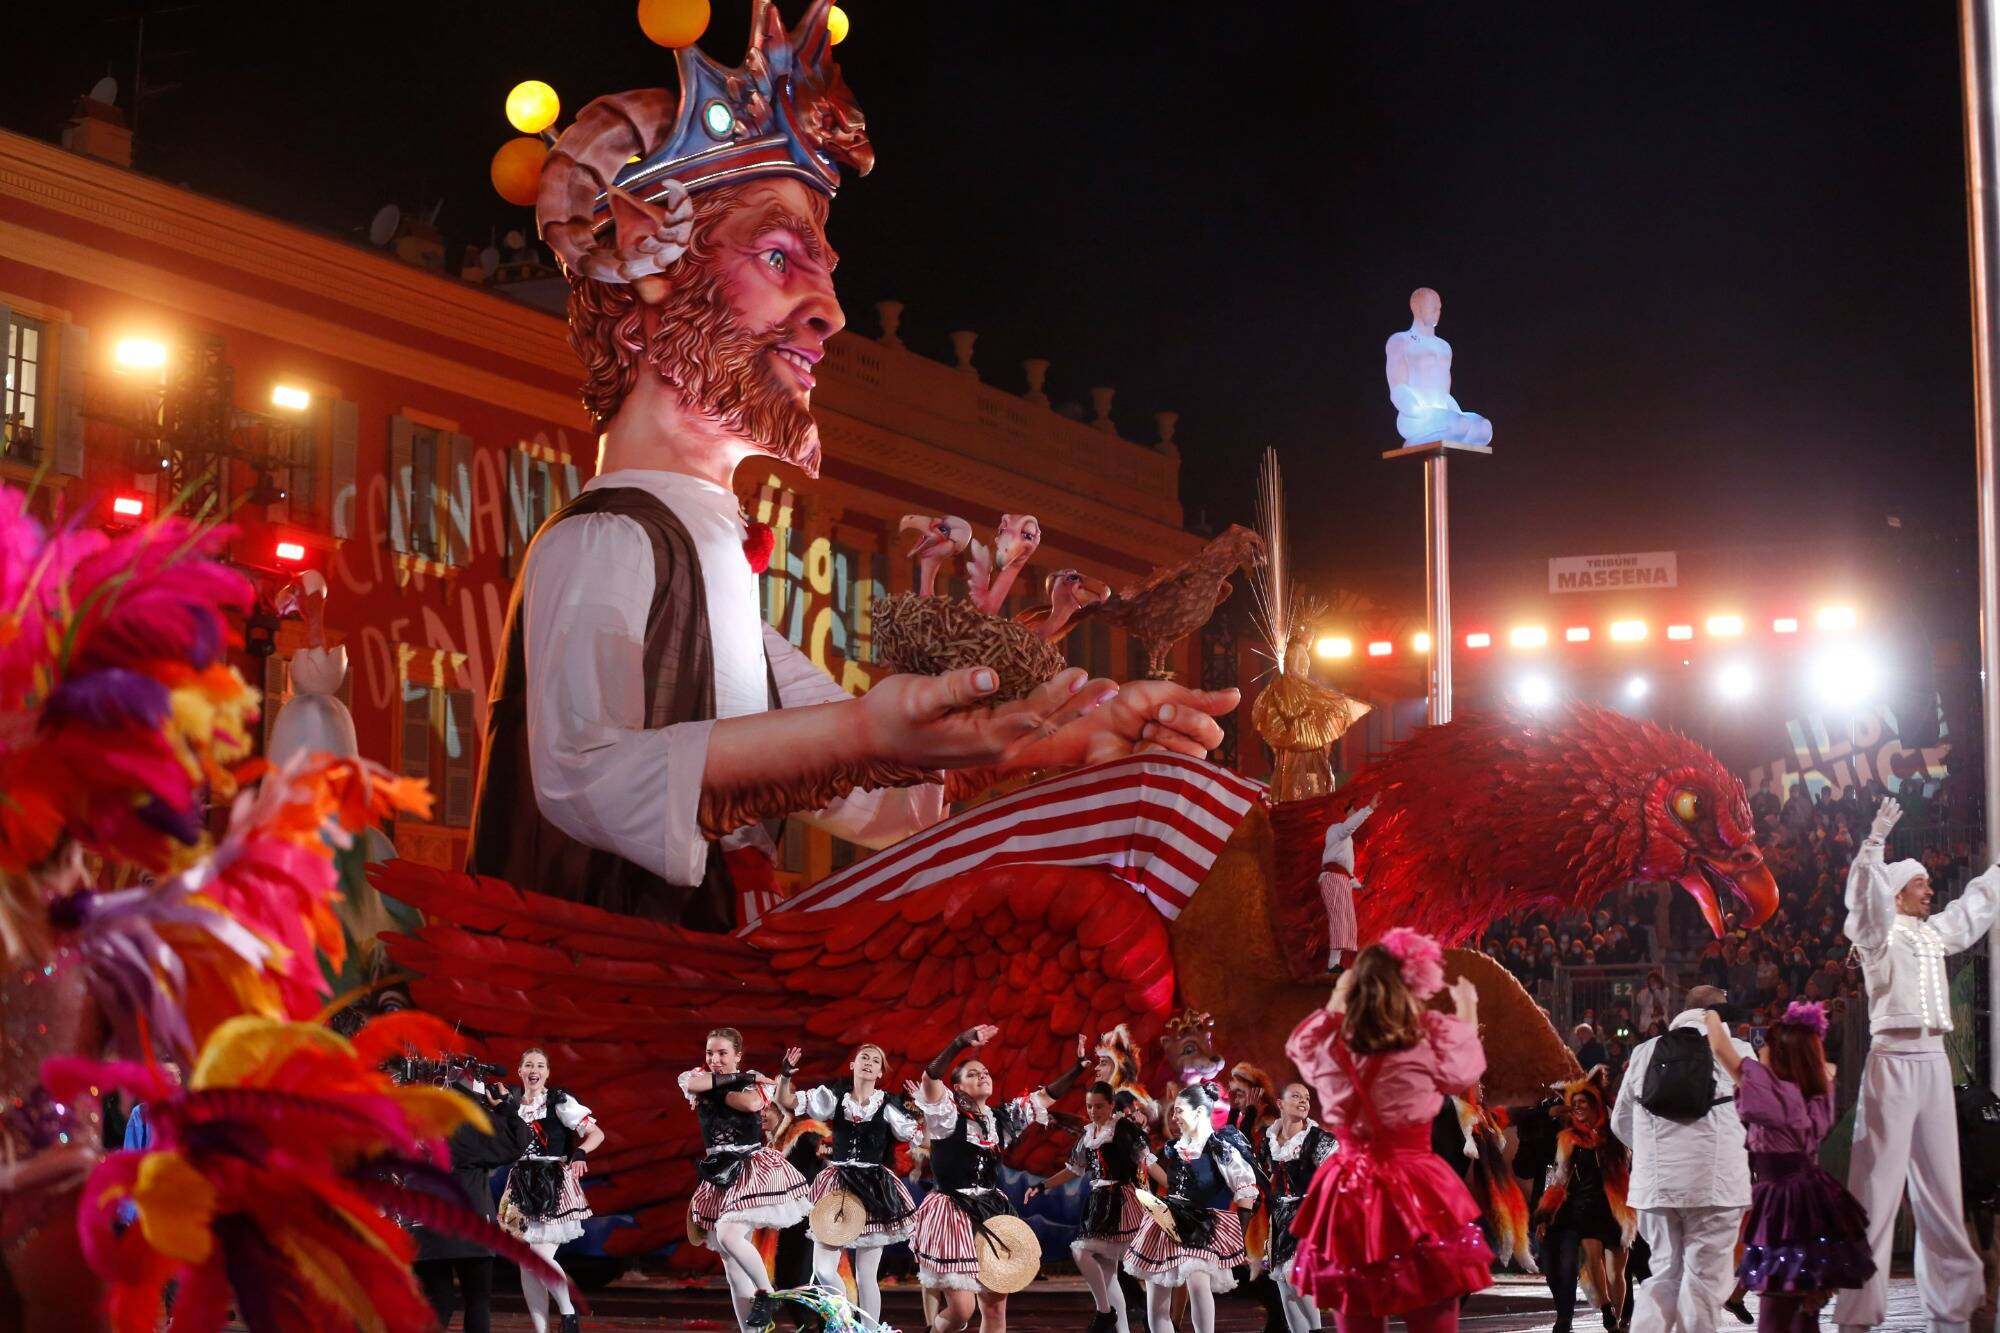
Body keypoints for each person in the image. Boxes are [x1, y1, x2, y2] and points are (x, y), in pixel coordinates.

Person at [468, 26, 1236, 930]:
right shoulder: (603, 541)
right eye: (781, 259)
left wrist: (1062, 738)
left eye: (823, 269)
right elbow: (584, 778)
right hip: (572, 1012)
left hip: (698, 1000)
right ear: (651, 267)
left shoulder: (710, 570)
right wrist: (870, 734)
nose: (829, 311)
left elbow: (871, 787)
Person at [1832, 798, 1998, 1333]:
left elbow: (1972, 912)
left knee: (1942, 1187)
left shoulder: (1931, 935)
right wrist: (1874, 842)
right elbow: (1863, 903)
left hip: (1932, 1062)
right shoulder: (1879, 938)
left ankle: (1953, 1302)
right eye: (1922, 884)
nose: (1931, 889)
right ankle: (1858, 1308)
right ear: (1899, 893)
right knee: (1876, 1187)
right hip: (1893, 1061)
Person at [1285, 931, 1493, 1333]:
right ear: (1409, 987)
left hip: (1346, 1188)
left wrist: (1338, 996)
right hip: (1416, 1182)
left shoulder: (1329, 1045)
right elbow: (1464, 1069)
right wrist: (1467, 1006)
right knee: (1433, 1306)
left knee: (1357, 1306)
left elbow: (1301, 1045)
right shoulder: (1426, 1038)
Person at [1701, 1002, 1873, 1333]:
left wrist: (1708, 1013)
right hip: (1816, 1196)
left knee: (1776, 1309)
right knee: (1806, 1306)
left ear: (1780, 1056)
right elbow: (1822, 1064)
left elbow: (1720, 1045)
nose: (1761, 1049)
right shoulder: (1822, 1083)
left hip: (1783, 1200)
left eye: (1766, 1045)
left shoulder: (1768, 1089)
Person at [1609, 986, 1752, 1333]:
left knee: (1663, 1275)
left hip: (1656, 1187)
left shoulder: (1644, 1053)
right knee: (1703, 1281)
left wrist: (1650, 1154)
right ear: (1719, 1013)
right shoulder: (1741, 1051)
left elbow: (1620, 1123)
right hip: (1716, 1185)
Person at [907, 1024, 1057, 1333]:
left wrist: (1081, 1066)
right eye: (973, 1074)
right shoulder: (946, 1117)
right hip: (952, 1212)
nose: (982, 1075)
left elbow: (1047, 1097)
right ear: (958, 1087)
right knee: (962, 1311)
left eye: (985, 1072)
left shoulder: (998, 1121)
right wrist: (959, 1042)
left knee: (995, 1307)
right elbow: (931, 1077)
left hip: (990, 1209)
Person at [678, 1028, 812, 1333]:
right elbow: (694, 1082)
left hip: (751, 1169)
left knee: (728, 1235)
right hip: (718, 1172)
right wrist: (740, 1080)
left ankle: (767, 1293)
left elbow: (750, 1105)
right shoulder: (699, 1077)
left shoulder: (754, 1081)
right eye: (710, 1053)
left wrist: (733, 1084)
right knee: (731, 1266)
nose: (714, 1059)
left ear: (738, 1055)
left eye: (723, 1053)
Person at [777, 1042, 922, 1324]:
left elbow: (920, 1138)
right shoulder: (835, 1096)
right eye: (863, 1057)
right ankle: (845, 1324)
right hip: (837, 1184)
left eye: (876, 1060)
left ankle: (868, 1331)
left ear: (880, 1072)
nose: (869, 1062)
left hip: (874, 1188)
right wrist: (785, 1076)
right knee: (823, 1269)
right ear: (853, 1065)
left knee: (866, 1276)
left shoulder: (889, 1104)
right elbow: (788, 1102)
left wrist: (923, 1108)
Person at [1124, 1082, 1262, 1333]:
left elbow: (1244, 1189)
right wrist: (1139, 1148)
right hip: (1165, 1222)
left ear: (1198, 1112)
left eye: (1179, 1111)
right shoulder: (1176, 1149)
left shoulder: (1220, 1148)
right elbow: (1168, 1181)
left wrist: (1238, 1234)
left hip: (1200, 1226)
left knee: (1198, 1284)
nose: (1174, 1117)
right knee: (1156, 1296)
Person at [1027, 1081, 1165, 1333]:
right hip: (1099, 1204)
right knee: (1107, 1272)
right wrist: (1042, 1186)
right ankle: (1114, 1320)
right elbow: (1073, 1169)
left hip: (1124, 1202)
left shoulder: (1123, 1129)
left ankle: (1110, 1313)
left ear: (1111, 1105)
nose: (1093, 1111)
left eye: (1099, 1106)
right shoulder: (1088, 1135)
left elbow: (1148, 1161)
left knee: (1086, 1252)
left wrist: (1172, 1187)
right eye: (1089, 1106)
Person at [416, 1074, 534, 1333]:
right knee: (478, 1301)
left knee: (438, 1302)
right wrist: (503, 1108)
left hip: (426, 1227)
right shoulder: (468, 1132)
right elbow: (520, 1141)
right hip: (472, 1227)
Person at [498, 1048, 604, 1333]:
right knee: (527, 1264)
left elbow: (596, 1133)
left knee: (538, 1258)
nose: (535, 1070)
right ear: (519, 1071)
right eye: (529, 1065)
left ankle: (569, 1314)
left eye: (541, 1065)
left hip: (553, 1183)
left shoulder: (559, 1101)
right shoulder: (511, 1105)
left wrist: (580, 1152)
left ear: (547, 1072)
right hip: (521, 1184)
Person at [1533, 1070, 1632, 1333]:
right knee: (1591, 1257)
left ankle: (1619, 1320)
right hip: (1586, 1207)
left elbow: (1632, 1166)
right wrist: (1545, 1214)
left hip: (1617, 1208)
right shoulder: (1568, 1139)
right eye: (1573, 1104)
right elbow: (1560, 1178)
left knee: (1617, 1272)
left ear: (1595, 1104)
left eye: (1582, 1103)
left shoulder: (1615, 1135)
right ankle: (1607, 1310)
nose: (1576, 1108)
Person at [1259, 1083, 1338, 1333]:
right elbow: (1267, 1179)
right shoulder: (1269, 1140)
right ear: (1280, 1104)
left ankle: (1316, 1329)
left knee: (1295, 1275)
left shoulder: (1317, 1139)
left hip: (1308, 1215)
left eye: (1306, 1097)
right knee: (1285, 1287)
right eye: (1296, 1096)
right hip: (1280, 1219)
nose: (1304, 1101)